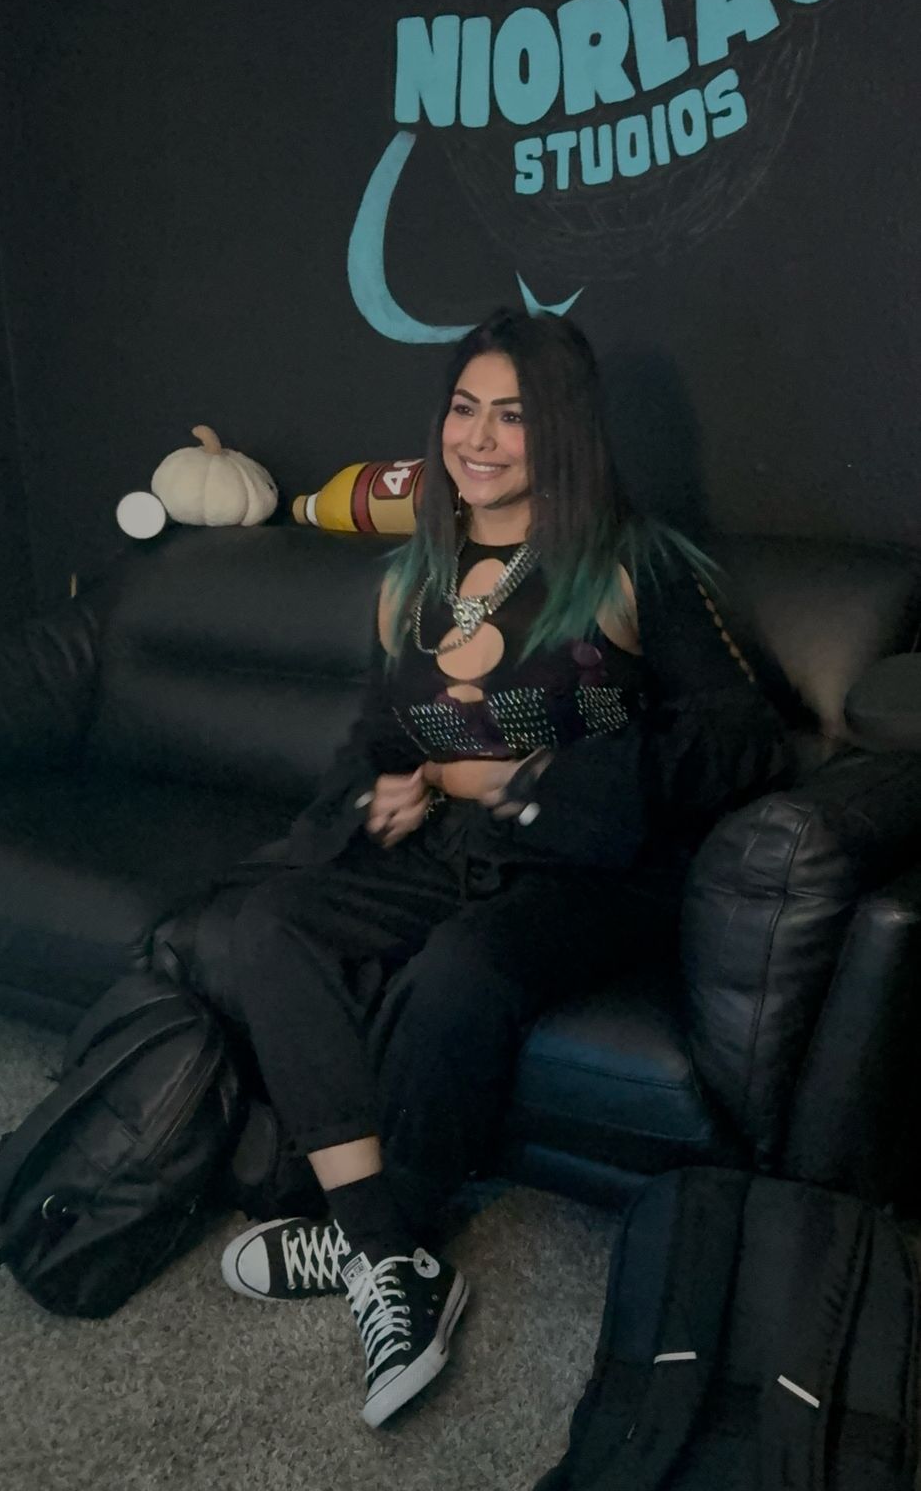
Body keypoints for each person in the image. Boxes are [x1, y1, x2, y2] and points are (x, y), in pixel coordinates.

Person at [177, 308, 792, 1429]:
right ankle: (387, 1251)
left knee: (462, 968)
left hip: (595, 865)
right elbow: (378, 734)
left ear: (563, 431)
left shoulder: (631, 563)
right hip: (454, 849)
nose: (479, 438)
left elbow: (744, 737)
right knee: (269, 921)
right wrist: (387, 788)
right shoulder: (412, 578)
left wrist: (532, 774)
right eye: (465, 409)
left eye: (514, 416)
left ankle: (375, 1236)